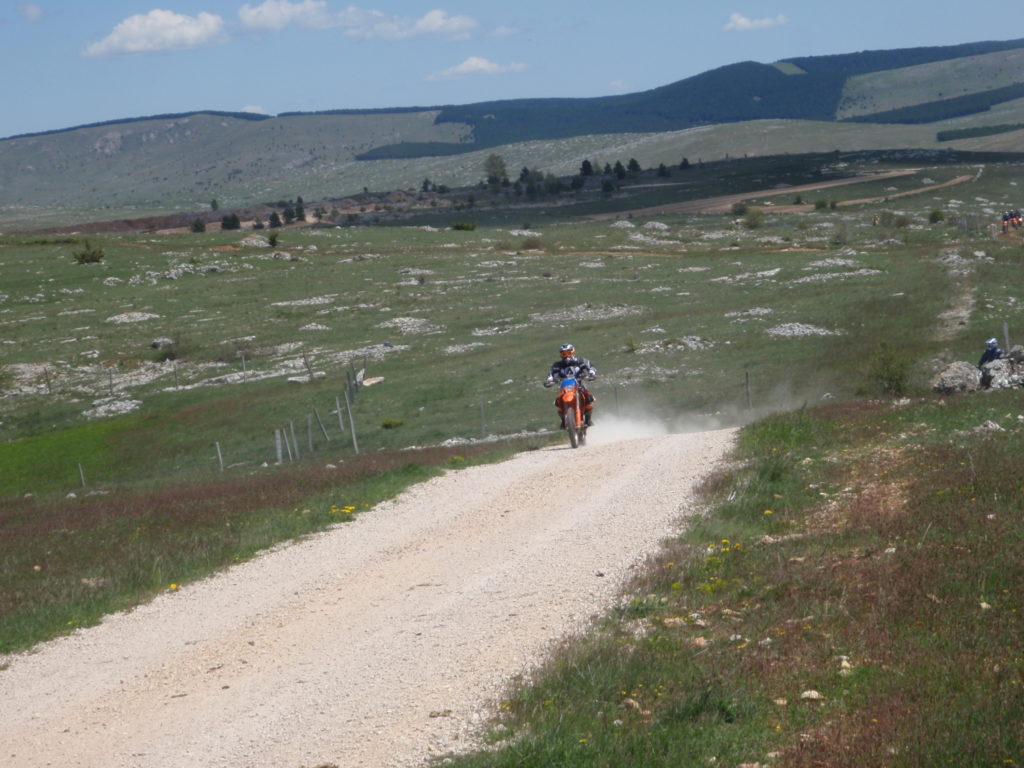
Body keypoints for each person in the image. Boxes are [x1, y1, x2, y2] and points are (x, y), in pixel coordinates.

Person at [544, 343, 596, 428]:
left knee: (589, 397)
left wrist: (591, 374)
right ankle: (563, 420)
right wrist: (550, 381)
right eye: (564, 353)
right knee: (557, 401)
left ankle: (588, 419)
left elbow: (591, 368)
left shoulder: (581, 361)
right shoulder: (557, 365)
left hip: (579, 386)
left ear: (572, 352)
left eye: (568, 353)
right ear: (561, 354)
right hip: (565, 388)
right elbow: (551, 375)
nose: (566, 356)